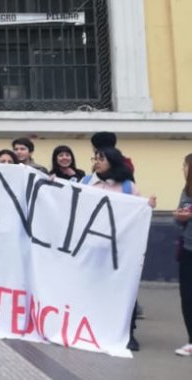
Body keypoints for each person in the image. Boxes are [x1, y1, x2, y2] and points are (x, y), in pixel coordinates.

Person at [83, 147, 156, 351]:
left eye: (101, 158)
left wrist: (147, 205)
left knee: (124, 289)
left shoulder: (127, 187)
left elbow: (138, 211)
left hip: (120, 250)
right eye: (95, 158)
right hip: (90, 248)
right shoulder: (85, 183)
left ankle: (127, 333)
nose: (97, 162)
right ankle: (90, 328)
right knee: (92, 289)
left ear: (112, 161)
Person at [174, 153, 192, 357]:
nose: (183, 169)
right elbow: (178, 221)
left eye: (185, 165)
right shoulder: (186, 191)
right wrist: (179, 217)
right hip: (188, 249)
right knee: (187, 296)